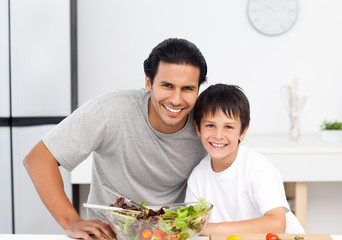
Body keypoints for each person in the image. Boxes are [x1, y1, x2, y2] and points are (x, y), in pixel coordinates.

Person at [23, 38, 208, 240]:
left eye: (188, 88)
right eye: (167, 85)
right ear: (149, 82)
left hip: (174, 235)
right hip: (110, 235)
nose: (176, 99)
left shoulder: (207, 126)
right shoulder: (111, 110)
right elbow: (38, 158)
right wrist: (71, 221)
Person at [185, 83, 304, 235]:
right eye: (210, 125)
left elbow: (276, 225)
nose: (218, 135)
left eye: (228, 127)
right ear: (198, 128)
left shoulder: (259, 168)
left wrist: (210, 229)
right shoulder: (198, 176)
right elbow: (191, 226)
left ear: (243, 132)